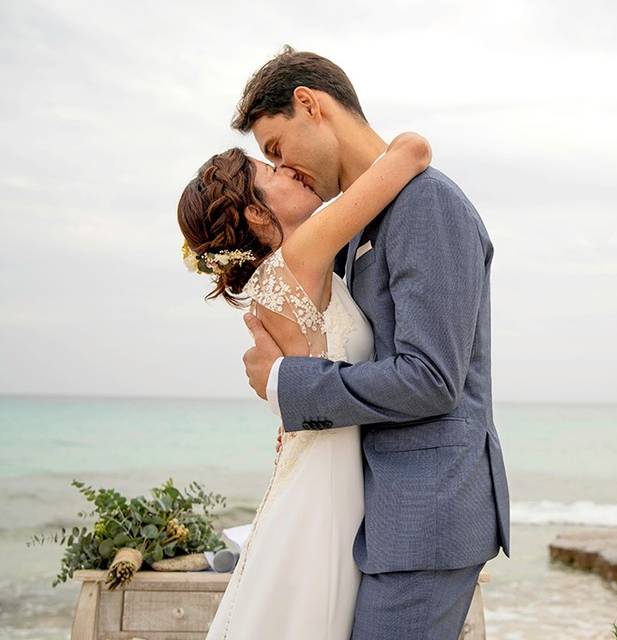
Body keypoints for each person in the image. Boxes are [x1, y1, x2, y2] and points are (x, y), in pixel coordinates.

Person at [237, 47, 510, 639]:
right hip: (375, 518)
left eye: (277, 149)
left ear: (309, 105)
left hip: (426, 517)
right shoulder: (354, 226)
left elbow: (432, 378)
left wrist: (290, 385)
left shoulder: (428, 203)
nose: (284, 169)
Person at [178, 132, 431, 639]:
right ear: (255, 213)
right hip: (327, 486)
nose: (288, 169)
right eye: (270, 171)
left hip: (316, 468)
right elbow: (413, 152)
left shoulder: (277, 275)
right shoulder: (303, 252)